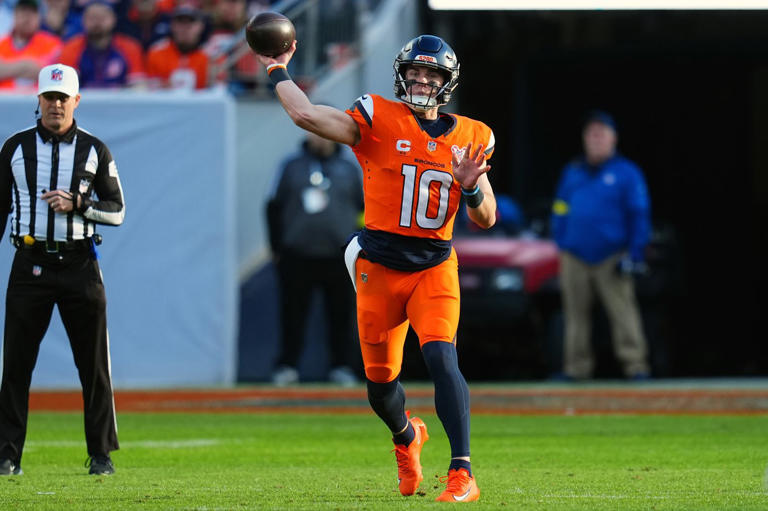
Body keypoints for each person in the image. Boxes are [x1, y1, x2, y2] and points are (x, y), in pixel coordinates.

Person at [254, 33, 497, 502]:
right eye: (415, 71)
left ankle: (462, 472)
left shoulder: (474, 135)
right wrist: (276, 68)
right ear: (402, 74)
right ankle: (408, 437)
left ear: (448, 82)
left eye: (432, 73)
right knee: (381, 387)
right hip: (379, 268)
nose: (422, 79)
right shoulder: (378, 117)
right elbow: (306, 114)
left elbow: (485, 217)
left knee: (442, 356)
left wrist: (469, 188)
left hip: (433, 266)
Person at [0, 63, 125, 476]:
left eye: (62, 98)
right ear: (38, 100)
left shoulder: (94, 150)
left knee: (93, 365)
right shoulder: (15, 148)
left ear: (76, 101)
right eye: (49, 98)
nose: (55, 105)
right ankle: (7, 455)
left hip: (79, 263)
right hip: (30, 261)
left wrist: (79, 204)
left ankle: (101, 454)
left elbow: (118, 211)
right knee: (16, 365)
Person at [550, 110, 652, 381]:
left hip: (612, 255)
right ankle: (576, 369)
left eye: (601, 134)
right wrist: (560, 240)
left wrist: (635, 252)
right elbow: (559, 207)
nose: (595, 139)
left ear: (613, 139)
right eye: (591, 134)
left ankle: (636, 366)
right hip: (574, 255)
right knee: (575, 316)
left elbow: (639, 214)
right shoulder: (572, 171)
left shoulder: (627, 172)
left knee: (623, 313)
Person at [266, 131, 364, 387]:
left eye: (323, 131)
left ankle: (342, 366)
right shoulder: (291, 166)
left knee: (342, 315)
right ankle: (287, 366)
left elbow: (366, 208)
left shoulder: (350, 168)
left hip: (339, 256)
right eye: (313, 132)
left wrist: (363, 247)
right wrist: (276, 247)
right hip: (297, 254)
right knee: (292, 315)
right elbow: (273, 206)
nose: (318, 138)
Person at [58, 0, 145, 88]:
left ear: (113, 19)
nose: (97, 22)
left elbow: (138, 86)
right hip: (82, 99)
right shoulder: (71, 47)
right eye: (92, 18)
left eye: (102, 18)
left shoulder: (130, 47)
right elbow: (64, 86)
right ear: (83, 21)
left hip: (121, 100)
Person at [0, 0, 62, 90]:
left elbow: (53, 74)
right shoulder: (1, 44)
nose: (27, 17)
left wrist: (7, 68)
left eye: (33, 12)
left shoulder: (52, 43)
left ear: (39, 17)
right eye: (23, 11)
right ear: (15, 15)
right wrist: (27, 66)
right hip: (4, 101)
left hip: (39, 101)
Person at [145, 3, 208, 90]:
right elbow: (149, 89)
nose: (185, 27)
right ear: (172, 25)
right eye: (180, 21)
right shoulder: (156, 53)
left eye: (191, 21)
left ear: (201, 26)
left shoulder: (209, 57)